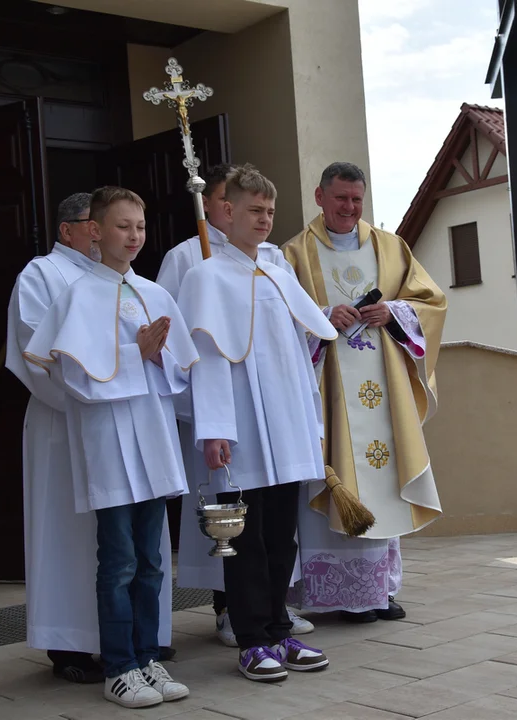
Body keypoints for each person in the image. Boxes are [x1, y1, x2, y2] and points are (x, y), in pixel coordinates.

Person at [22, 186, 197, 709]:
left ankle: (148, 658)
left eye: (140, 228)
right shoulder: (77, 294)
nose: (134, 237)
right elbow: (69, 369)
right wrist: (132, 350)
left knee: (151, 560)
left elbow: (180, 372)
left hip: (153, 436)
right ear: (94, 232)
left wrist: (159, 356)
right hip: (109, 443)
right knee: (118, 560)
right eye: (123, 227)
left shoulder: (155, 294)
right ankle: (118, 666)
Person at [176, 165, 335, 682]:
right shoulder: (205, 275)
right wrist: (214, 429)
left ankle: (279, 627)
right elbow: (207, 356)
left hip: (284, 423)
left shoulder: (277, 269)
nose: (264, 220)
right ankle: (251, 639)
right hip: (240, 426)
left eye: (270, 211)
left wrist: (310, 420)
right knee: (246, 538)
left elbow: (299, 348)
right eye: (254, 211)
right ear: (226, 212)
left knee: (283, 534)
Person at [282, 162, 446, 623]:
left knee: (384, 484)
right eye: (340, 199)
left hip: (384, 388)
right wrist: (320, 319)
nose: (350, 208)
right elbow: (276, 318)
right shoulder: (293, 254)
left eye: (357, 199)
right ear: (320, 197)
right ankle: (341, 595)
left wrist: (392, 313)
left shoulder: (391, 248)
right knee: (338, 476)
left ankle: (378, 592)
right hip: (328, 389)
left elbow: (431, 302)